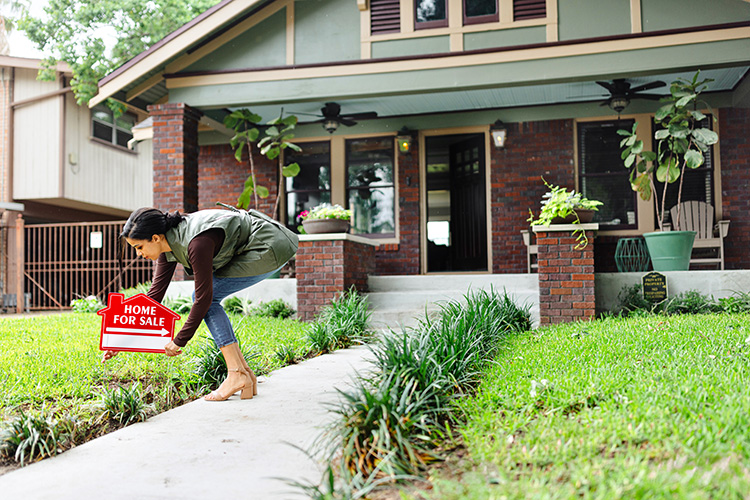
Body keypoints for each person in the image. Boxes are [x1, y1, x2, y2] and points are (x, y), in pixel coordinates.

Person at [102, 205, 299, 402]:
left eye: (139, 247)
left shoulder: (197, 243)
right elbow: (153, 298)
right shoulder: (168, 245)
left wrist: (180, 339)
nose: (139, 254)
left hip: (269, 246)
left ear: (155, 238)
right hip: (259, 243)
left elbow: (203, 299)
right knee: (206, 298)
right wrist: (121, 341)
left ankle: (237, 373)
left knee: (206, 299)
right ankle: (243, 373)